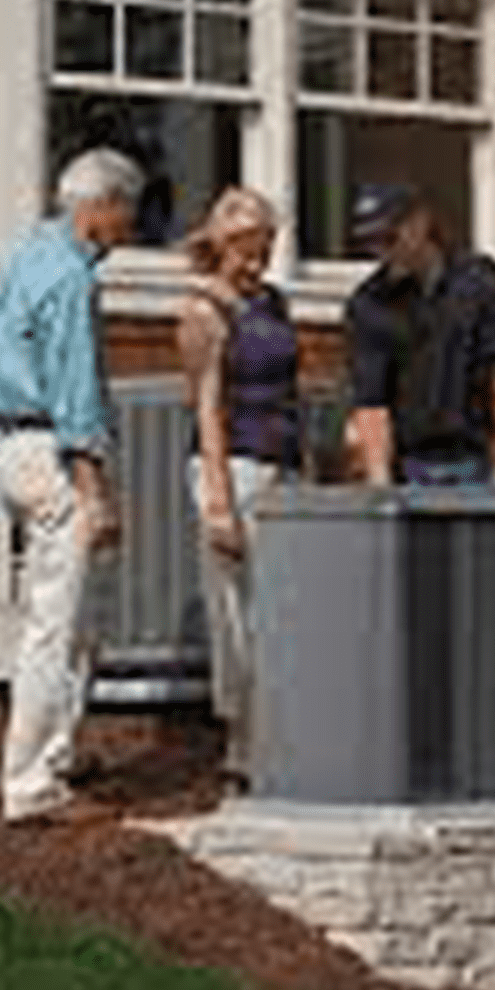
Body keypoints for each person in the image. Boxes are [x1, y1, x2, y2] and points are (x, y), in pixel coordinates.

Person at [0, 147, 143, 825]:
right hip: (53, 453)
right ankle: (30, 787)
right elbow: (75, 395)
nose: (130, 228)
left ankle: (59, 755)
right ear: (101, 207)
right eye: (128, 212)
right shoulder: (72, 278)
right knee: (56, 626)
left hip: (12, 448)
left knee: (76, 621)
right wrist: (95, 492)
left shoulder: (24, 255)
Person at [174, 187, 300, 791]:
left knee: (282, 609)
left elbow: (289, 389)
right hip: (233, 466)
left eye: (266, 250)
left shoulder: (274, 301)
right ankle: (242, 750)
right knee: (237, 613)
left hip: (282, 465)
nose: (257, 263)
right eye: (247, 251)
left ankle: (281, 737)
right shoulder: (202, 311)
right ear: (220, 246)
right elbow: (207, 409)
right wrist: (219, 503)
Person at [342, 186, 495, 488]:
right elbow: (371, 403)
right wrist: (379, 482)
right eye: (371, 243)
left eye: (389, 238)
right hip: (410, 468)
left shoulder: (479, 281)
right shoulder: (368, 304)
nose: (381, 252)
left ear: (421, 223)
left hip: (476, 462)